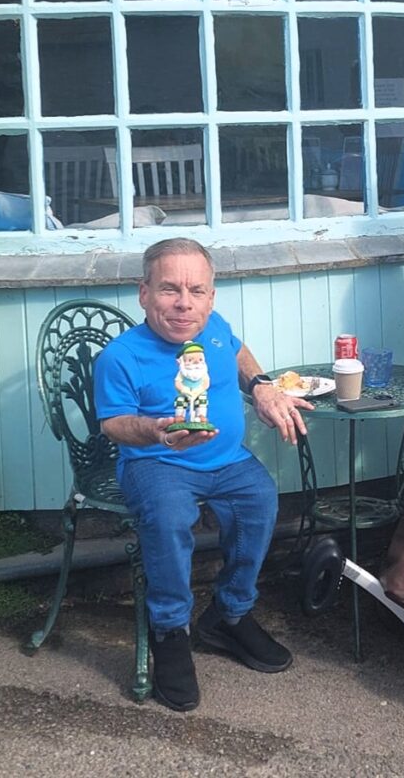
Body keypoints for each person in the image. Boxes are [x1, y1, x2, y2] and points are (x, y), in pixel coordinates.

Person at [95, 237, 312, 712]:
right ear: (144, 292)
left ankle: (229, 617)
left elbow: (236, 351)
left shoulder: (213, 328)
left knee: (261, 501)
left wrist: (262, 387)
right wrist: (153, 431)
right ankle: (171, 631)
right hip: (158, 463)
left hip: (227, 460)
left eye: (196, 291)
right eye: (170, 289)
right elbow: (113, 423)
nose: (183, 303)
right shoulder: (120, 356)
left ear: (211, 297)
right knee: (170, 519)